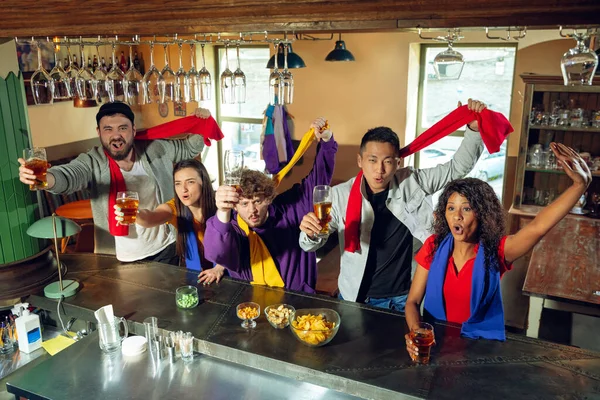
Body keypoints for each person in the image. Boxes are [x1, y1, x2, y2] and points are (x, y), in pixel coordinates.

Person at [299, 99, 488, 311]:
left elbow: (456, 168)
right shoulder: (340, 195)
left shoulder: (414, 182)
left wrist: (473, 130)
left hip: (405, 298)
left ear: (398, 163)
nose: (379, 170)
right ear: (360, 161)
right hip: (355, 296)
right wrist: (311, 232)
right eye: (372, 160)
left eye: (387, 161)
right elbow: (309, 245)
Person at [404, 143, 591, 355]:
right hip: (436, 346)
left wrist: (579, 185)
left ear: (483, 214)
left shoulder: (498, 251)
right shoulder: (433, 246)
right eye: (451, 208)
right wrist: (416, 330)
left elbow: (538, 227)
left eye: (466, 208)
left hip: (479, 350)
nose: (457, 216)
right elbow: (412, 301)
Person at [18, 102, 214, 264]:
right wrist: (45, 178)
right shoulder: (92, 162)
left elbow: (188, 148)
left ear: (133, 130)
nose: (116, 135)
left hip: (167, 249)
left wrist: (203, 121)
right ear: (99, 132)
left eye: (123, 128)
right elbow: (69, 176)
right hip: (119, 258)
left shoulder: (155, 149)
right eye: (108, 129)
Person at [203, 117, 337, 294]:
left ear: (268, 198)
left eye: (257, 201)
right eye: (244, 203)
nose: (252, 210)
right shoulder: (231, 229)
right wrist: (221, 210)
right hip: (251, 305)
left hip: (297, 301)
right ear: (234, 205)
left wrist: (327, 142)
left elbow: (318, 179)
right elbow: (217, 253)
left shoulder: (290, 209)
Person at [114, 159, 225, 284]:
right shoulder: (175, 208)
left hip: (230, 269)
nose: (183, 189)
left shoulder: (221, 204)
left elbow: (239, 242)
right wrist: (136, 215)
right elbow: (151, 217)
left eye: (190, 182)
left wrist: (220, 267)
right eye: (178, 183)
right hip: (201, 275)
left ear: (203, 182)